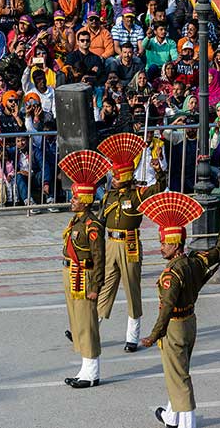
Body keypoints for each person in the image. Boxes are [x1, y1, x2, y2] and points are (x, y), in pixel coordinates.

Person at [139, 193, 220, 428]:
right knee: (177, 373)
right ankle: (172, 415)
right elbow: (219, 250)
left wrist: (154, 334)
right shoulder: (196, 261)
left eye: (164, 243)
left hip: (176, 327)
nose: (161, 248)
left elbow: (166, 308)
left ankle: (187, 423)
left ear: (175, 243)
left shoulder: (171, 275)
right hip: (191, 322)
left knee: (180, 378)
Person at [94, 133, 167, 352]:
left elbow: (159, 188)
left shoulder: (137, 195)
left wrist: (158, 170)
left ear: (125, 176)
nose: (113, 179)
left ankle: (132, 336)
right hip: (111, 243)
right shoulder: (108, 196)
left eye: (116, 176)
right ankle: (91, 328)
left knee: (132, 290)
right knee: (105, 287)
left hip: (130, 244)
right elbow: (100, 222)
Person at [57, 150, 109, 389]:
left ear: (85, 200)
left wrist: (96, 287)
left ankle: (92, 372)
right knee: (77, 322)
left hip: (85, 277)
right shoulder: (76, 221)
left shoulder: (92, 225)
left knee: (87, 323)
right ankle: (84, 367)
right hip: (71, 274)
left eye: (75, 198)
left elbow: (100, 258)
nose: (72, 201)